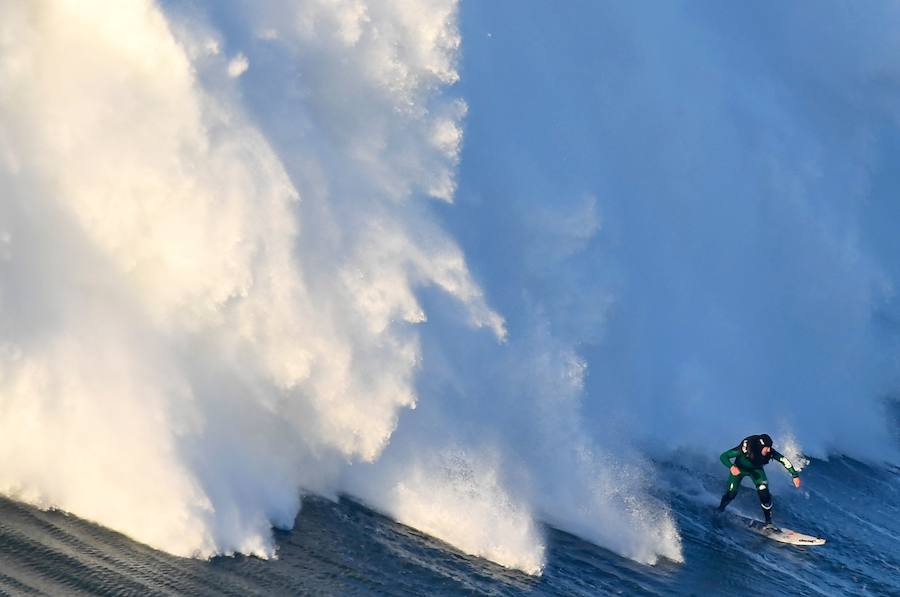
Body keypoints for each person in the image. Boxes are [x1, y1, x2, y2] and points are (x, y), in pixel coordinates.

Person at [717, 433, 801, 527]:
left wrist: (795, 475)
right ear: (760, 446)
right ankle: (720, 509)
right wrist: (731, 467)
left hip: (756, 471)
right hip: (739, 470)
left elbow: (783, 460)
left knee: (764, 493)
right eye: (766, 447)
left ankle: (768, 523)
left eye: (770, 447)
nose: (769, 449)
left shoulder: (770, 451)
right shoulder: (745, 449)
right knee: (731, 494)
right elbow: (723, 456)